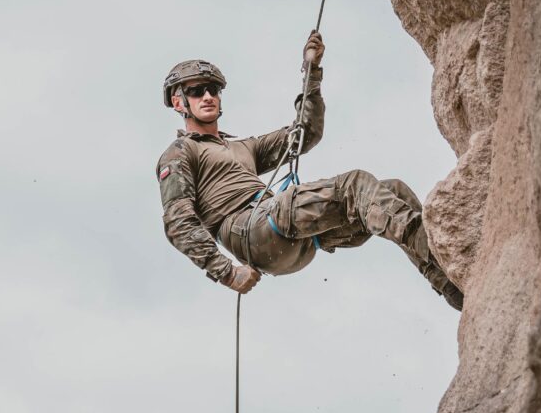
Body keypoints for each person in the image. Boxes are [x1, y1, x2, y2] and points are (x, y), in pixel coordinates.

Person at [154, 30, 463, 310]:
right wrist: (226, 271)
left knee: (392, 190)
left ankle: (451, 285)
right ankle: (450, 256)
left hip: (289, 238)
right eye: (196, 91)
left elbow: (305, 133)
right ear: (179, 102)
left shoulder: (242, 146)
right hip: (253, 229)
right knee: (354, 186)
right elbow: (179, 222)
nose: (208, 96)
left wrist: (311, 73)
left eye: (213, 89)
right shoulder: (181, 153)